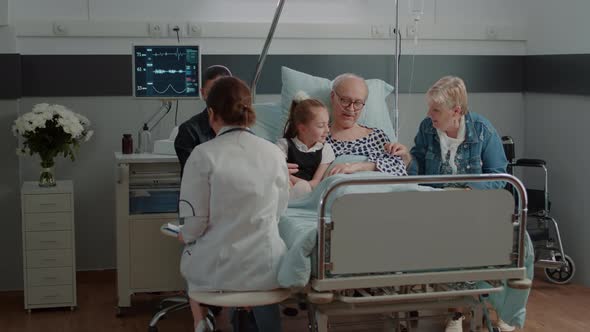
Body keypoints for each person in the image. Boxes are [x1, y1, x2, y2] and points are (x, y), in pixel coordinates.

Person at [388, 76, 532, 332]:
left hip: (475, 203)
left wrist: (470, 189)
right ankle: (458, 309)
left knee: (522, 242)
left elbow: (499, 174)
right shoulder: (427, 128)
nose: (429, 114)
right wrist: (408, 158)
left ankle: (507, 314)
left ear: (456, 111)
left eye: (435, 110)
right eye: (429, 108)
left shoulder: (482, 130)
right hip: (437, 203)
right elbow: (419, 167)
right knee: (450, 243)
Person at [178, 76, 289, 332]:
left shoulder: (203, 155)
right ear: (249, 111)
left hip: (218, 273)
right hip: (267, 269)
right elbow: (279, 212)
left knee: (189, 250)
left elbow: (195, 224)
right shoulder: (274, 153)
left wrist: (184, 235)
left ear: (211, 113)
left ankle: (201, 321)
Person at [324, 73, 407, 177]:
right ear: (332, 97)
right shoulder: (321, 139)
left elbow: (397, 169)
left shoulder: (377, 136)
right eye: (345, 100)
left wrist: (354, 167)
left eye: (358, 103)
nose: (351, 108)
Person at [174, 65, 232, 174]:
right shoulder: (189, 131)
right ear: (203, 93)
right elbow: (195, 175)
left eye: (224, 92)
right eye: (213, 92)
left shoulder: (242, 128)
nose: (219, 97)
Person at [276, 92, 335, 198]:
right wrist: (286, 178)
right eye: (321, 126)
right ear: (302, 128)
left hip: (309, 193)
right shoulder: (284, 146)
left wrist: (293, 179)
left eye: (328, 124)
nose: (327, 130)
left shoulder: (326, 149)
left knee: (303, 187)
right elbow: (277, 173)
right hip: (286, 188)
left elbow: (316, 183)